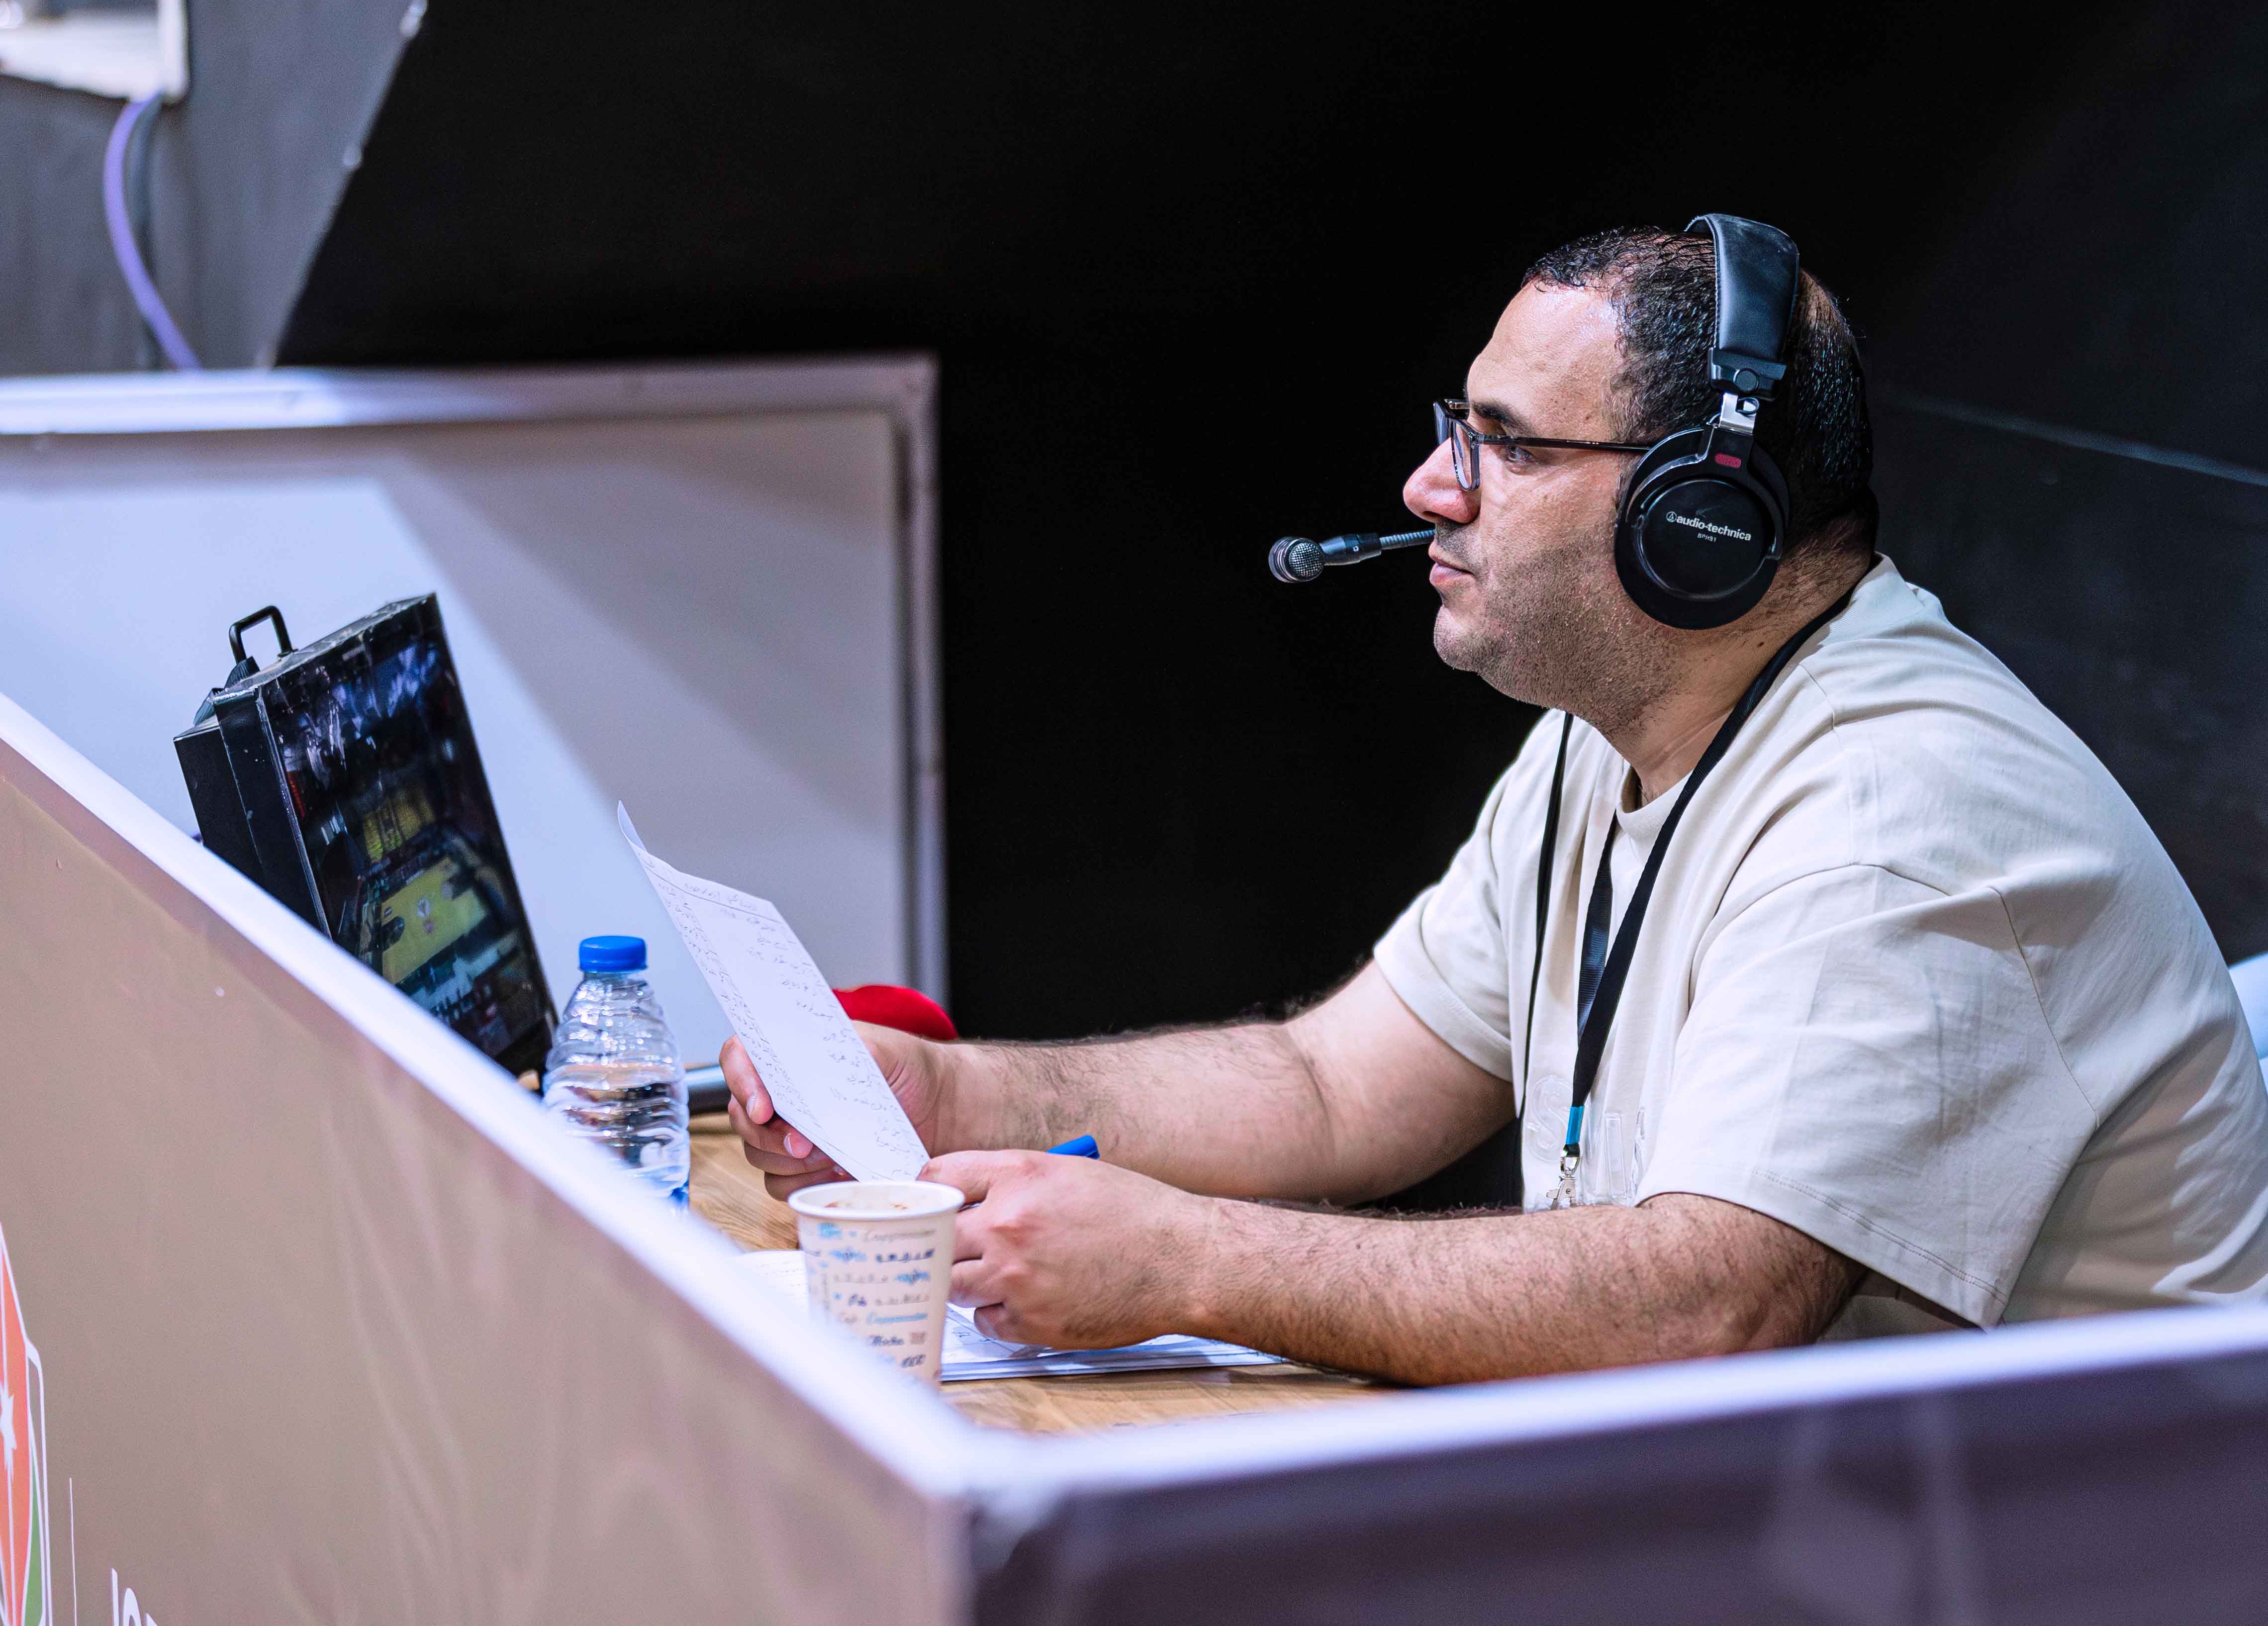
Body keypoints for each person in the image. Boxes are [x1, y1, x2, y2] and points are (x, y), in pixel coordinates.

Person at [723, 225, 2268, 1385]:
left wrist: (1187, 1260)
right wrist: (953, 1097)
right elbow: (1334, 1086)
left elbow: (1707, 1308)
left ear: (1699, 521)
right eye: (1457, 427)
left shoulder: (1894, 819)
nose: (1431, 487)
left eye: (1508, 445)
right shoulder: (1622, 732)